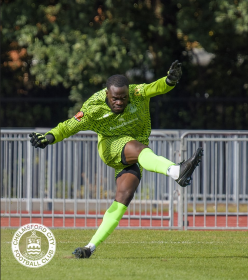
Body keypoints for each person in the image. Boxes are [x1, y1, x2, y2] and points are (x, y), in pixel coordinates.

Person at [29, 60, 203, 258]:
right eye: (115, 98)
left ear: (129, 93)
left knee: (122, 199)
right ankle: (175, 171)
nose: (120, 102)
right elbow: (68, 126)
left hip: (137, 153)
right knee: (137, 147)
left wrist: (170, 80)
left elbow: (158, 87)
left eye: (123, 98)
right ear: (106, 94)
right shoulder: (93, 107)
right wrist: (48, 138)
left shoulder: (138, 93)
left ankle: (89, 247)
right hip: (110, 147)